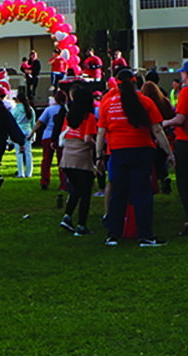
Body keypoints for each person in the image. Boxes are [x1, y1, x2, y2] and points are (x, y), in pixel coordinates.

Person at [96, 69, 173, 246]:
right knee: (142, 193)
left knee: (118, 193)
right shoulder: (145, 102)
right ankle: (145, 235)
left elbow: (101, 133)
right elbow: (157, 130)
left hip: (117, 151)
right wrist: (169, 153)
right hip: (142, 151)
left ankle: (113, 234)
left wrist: (99, 156)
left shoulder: (108, 103)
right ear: (135, 82)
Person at [58, 85, 97, 236]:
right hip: (82, 158)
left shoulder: (69, 116)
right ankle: (81, 225)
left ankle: (67, 216)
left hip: (67, 158)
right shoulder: (89, 117)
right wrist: (98, 148)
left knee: (77, 189)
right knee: (85, 193)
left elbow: (64, 135)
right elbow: (88, 139)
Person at [162, 61, 188, 236]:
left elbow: (180, 119)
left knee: (184, 183)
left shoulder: (185, 92)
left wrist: (165, 123)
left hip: (185, 141)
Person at [32, 90, 68, 191]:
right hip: (62, 137)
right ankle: (63, 184)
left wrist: (32, 132)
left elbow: (40, 122)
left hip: (48, 136)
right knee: (61, 161)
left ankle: (44, 181)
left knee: (46, 160)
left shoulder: (49, 109)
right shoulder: (66, 110)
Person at [10, 90, 36, 178]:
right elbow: (33, 123)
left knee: (19, 153)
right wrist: (33, 133)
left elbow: (12, 122)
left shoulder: (16, 109)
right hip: (28, 131)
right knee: (28, 152)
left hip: (19, 131)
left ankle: (21, 173)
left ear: (17, 100)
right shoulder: (30, 109)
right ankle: (29, 173)